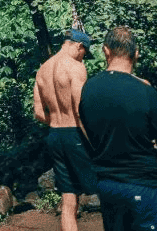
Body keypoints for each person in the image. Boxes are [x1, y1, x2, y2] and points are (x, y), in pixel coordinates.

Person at [79, 26, 157, 231]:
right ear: (136, 53)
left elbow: (87, 135)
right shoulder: (145, 91)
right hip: (143, 184)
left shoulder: (88, 89)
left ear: (105, 51)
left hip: (108, 187)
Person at [33, 28, 97, 231]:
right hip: (75, 134)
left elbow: (38, 114)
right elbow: (80, 111)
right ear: (79, 46)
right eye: (84, 52)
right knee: (107, 188)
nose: (84, 57)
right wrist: (96, 142)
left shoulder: (42, 69)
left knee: (69, 200)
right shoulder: (76, 67)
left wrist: (58, 122)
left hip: (55, 136)